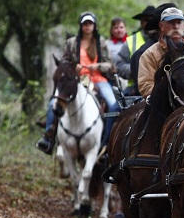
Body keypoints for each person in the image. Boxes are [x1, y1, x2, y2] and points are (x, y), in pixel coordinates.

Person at [37, 11, 121, 154]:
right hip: (75, 81)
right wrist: (73, 65)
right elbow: (63, 61)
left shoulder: (101, 43)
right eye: (85, 24)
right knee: (53, 103)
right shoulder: (71, 43)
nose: (87, 27)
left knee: (114, 105)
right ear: (81, 26)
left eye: (90, 24)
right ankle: (48, 137)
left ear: (94, 26)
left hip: (98, 79)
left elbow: (111, 65)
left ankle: (108, 141)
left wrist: (97, 66)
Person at [137, 4, 184, 99]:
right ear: (161, 26)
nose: (176, 26)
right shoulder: (150, 54)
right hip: (163, 106)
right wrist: (173, 95)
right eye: (171, 22)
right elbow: (146, 87)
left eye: (179, 22)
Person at [114, 5, 156, 87]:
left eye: (153, 20)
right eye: (146, 20)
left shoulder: (166, 40)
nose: (150, 22)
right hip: (135, 88)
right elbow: (119, 65)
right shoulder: (130, 41)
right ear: (141, 22)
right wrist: (138, 70)